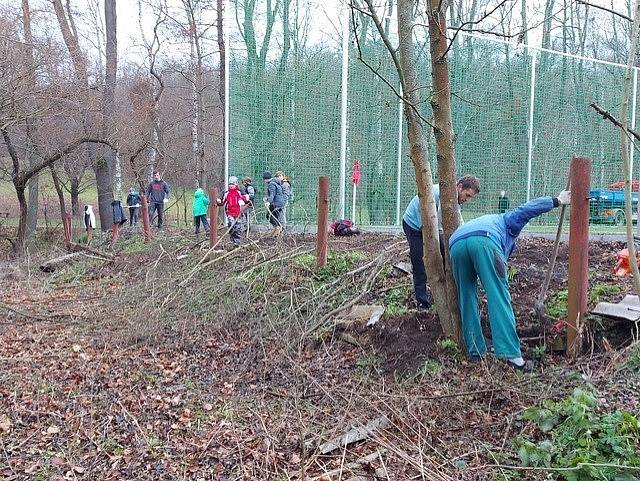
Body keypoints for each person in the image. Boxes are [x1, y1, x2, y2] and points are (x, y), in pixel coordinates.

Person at [449, 189, 571, 370]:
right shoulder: (507, 220)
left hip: (456, 244)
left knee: (466, 297)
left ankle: (476, 352)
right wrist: (557, 201)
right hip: (484, 240)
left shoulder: (487, 220)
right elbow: (528, 209)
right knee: (498, 296)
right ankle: (512, 356)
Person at [402, 175, 481, 309]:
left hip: (429, 225)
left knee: (445, 255)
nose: (466, 200)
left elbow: (459, 222)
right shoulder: (442, 195)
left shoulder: (453, 197)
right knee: (419, 262)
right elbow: (438, 230)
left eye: (470, 198)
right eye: (467, 196)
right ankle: (422, 302)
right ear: (459, 187)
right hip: (413, 225)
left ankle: (449, 293)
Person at [218, 176, 249, 247]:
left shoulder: (239, 192)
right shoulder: (226, 193)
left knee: (237, 227)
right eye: (230, 184)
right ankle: (232, 240)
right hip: (230, 212)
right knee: (231, 225)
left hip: (238, 213)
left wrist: (244, 200)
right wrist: (218, 202)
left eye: (233, 184)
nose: (231, 186)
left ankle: (237, 242)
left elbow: (246, 198)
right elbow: (222, 202)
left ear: (236, 185)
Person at [263, 171, 285, 235]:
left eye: (264, 179)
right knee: (275, 217)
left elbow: (272, 194)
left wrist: (268, 202)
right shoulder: (276, 182)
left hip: (275, 203)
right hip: (280, 203)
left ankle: (277, 227)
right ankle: (276, 231)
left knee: (268, 216)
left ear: (266, 179)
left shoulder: (271, 184)